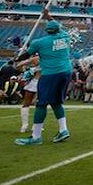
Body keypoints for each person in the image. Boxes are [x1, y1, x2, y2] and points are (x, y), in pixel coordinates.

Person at [15, 10, 73, 146]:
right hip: (65, 72)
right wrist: (48, 17)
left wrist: (17, 58)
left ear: (47, 30)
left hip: (50, 74)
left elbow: (26, 55)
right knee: (56, 102)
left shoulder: (39, 42)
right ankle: (63, 130)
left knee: (41, 104)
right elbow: (58, 26)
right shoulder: (65, 36)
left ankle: (36, 137)